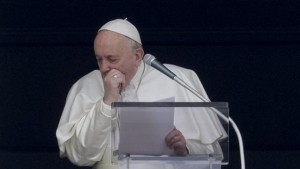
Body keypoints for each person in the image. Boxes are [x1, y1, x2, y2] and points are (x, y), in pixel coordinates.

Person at [56, 18, 227, 169]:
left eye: (112, 59)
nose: (103, 68)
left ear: (137, 56)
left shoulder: (177, 78)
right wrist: (107, 102)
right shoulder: (85, 86)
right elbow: (80, 156)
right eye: (99, 59)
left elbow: (212, 152)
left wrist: (186, 148)